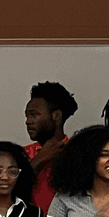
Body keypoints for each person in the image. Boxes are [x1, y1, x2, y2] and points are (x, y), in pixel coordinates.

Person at [23, 81, 77, 210]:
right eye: (27, 116)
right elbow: (8, 191)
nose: (28, 121)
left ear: (56, 116)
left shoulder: (77, 152)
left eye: (34, 115)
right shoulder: (20, 154)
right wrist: (39, 159)